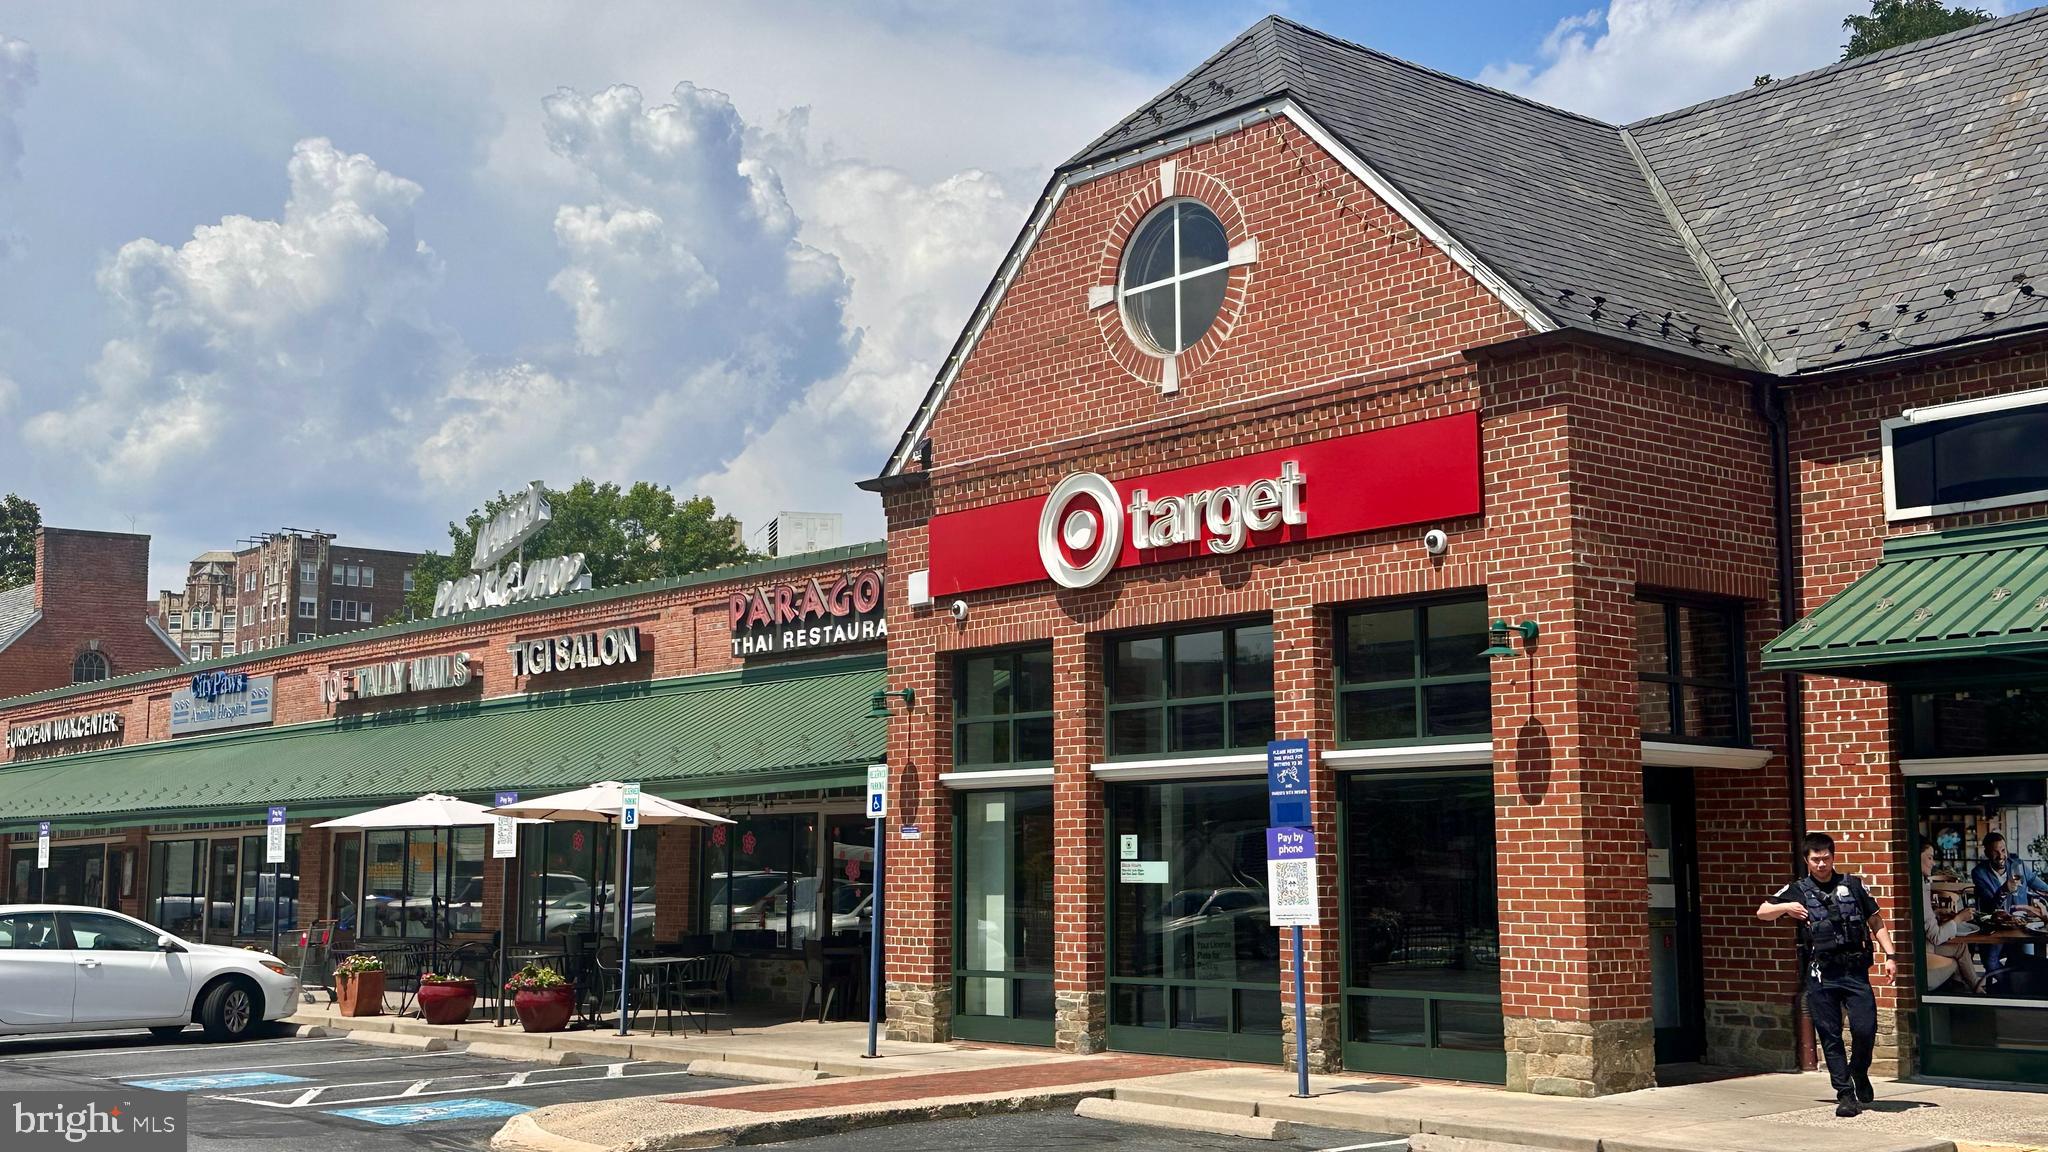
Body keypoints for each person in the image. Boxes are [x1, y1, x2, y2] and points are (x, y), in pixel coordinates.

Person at [1757, 831, 1897, 1118]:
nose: (1821, 864)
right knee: (1830, 1034)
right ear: (1807, 861)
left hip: (1855, 970)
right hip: (1822, 972)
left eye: (1826, 858)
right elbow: (1763, 912)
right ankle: (1845, 1093)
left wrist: (1890, 956)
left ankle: (1859, 1071)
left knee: (1865, 1029)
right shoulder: (1798, 889)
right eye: (1815, 859)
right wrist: (1787, 907)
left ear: (1833, 857)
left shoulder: (1853, 885)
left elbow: (1875, 920)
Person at [1970, 832, 2048, 974]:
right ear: (1986, 853)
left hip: (2022, 925)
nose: (2001, 856)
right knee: (1990, 962)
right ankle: (2008, 985)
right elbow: (1991, 905)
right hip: (1997, 927)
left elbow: (2042, 887)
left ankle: (2019, 985)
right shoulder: (1979, 873)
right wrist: (2004, 890)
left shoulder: (2019, 866)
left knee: (2031, 960)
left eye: (2003, 850)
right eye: (1995, 852)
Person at [1920, 839, 1982, 994]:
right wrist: (1959, 918)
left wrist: (1935, 913)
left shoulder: (1920, 882)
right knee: (1958, 958)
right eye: (1929, 857)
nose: (1933, 863)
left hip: (1924, 945)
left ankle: (1973, 990)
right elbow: (1936, 936)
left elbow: (1922, 917)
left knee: (1961, 947)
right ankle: (1974, 992)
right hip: (1923, 950)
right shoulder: (1920, 888)